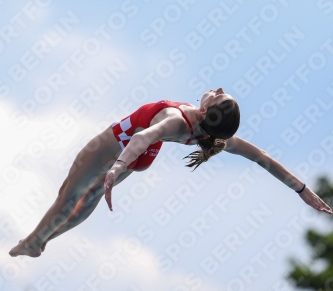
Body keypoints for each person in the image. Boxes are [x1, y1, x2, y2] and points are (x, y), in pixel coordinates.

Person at [9, 88, 332, 258]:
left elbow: (142, 136)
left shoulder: (176, 119)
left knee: (70, 195)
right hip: (141, 159)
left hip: (116, 147)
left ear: (205, 110)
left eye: (219, 94)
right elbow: (262, 157)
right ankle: (42, 242)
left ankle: (34, 242)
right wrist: (301, 189)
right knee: (90, 198)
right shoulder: (219, 138)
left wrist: (117, 166)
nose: (216, 88)